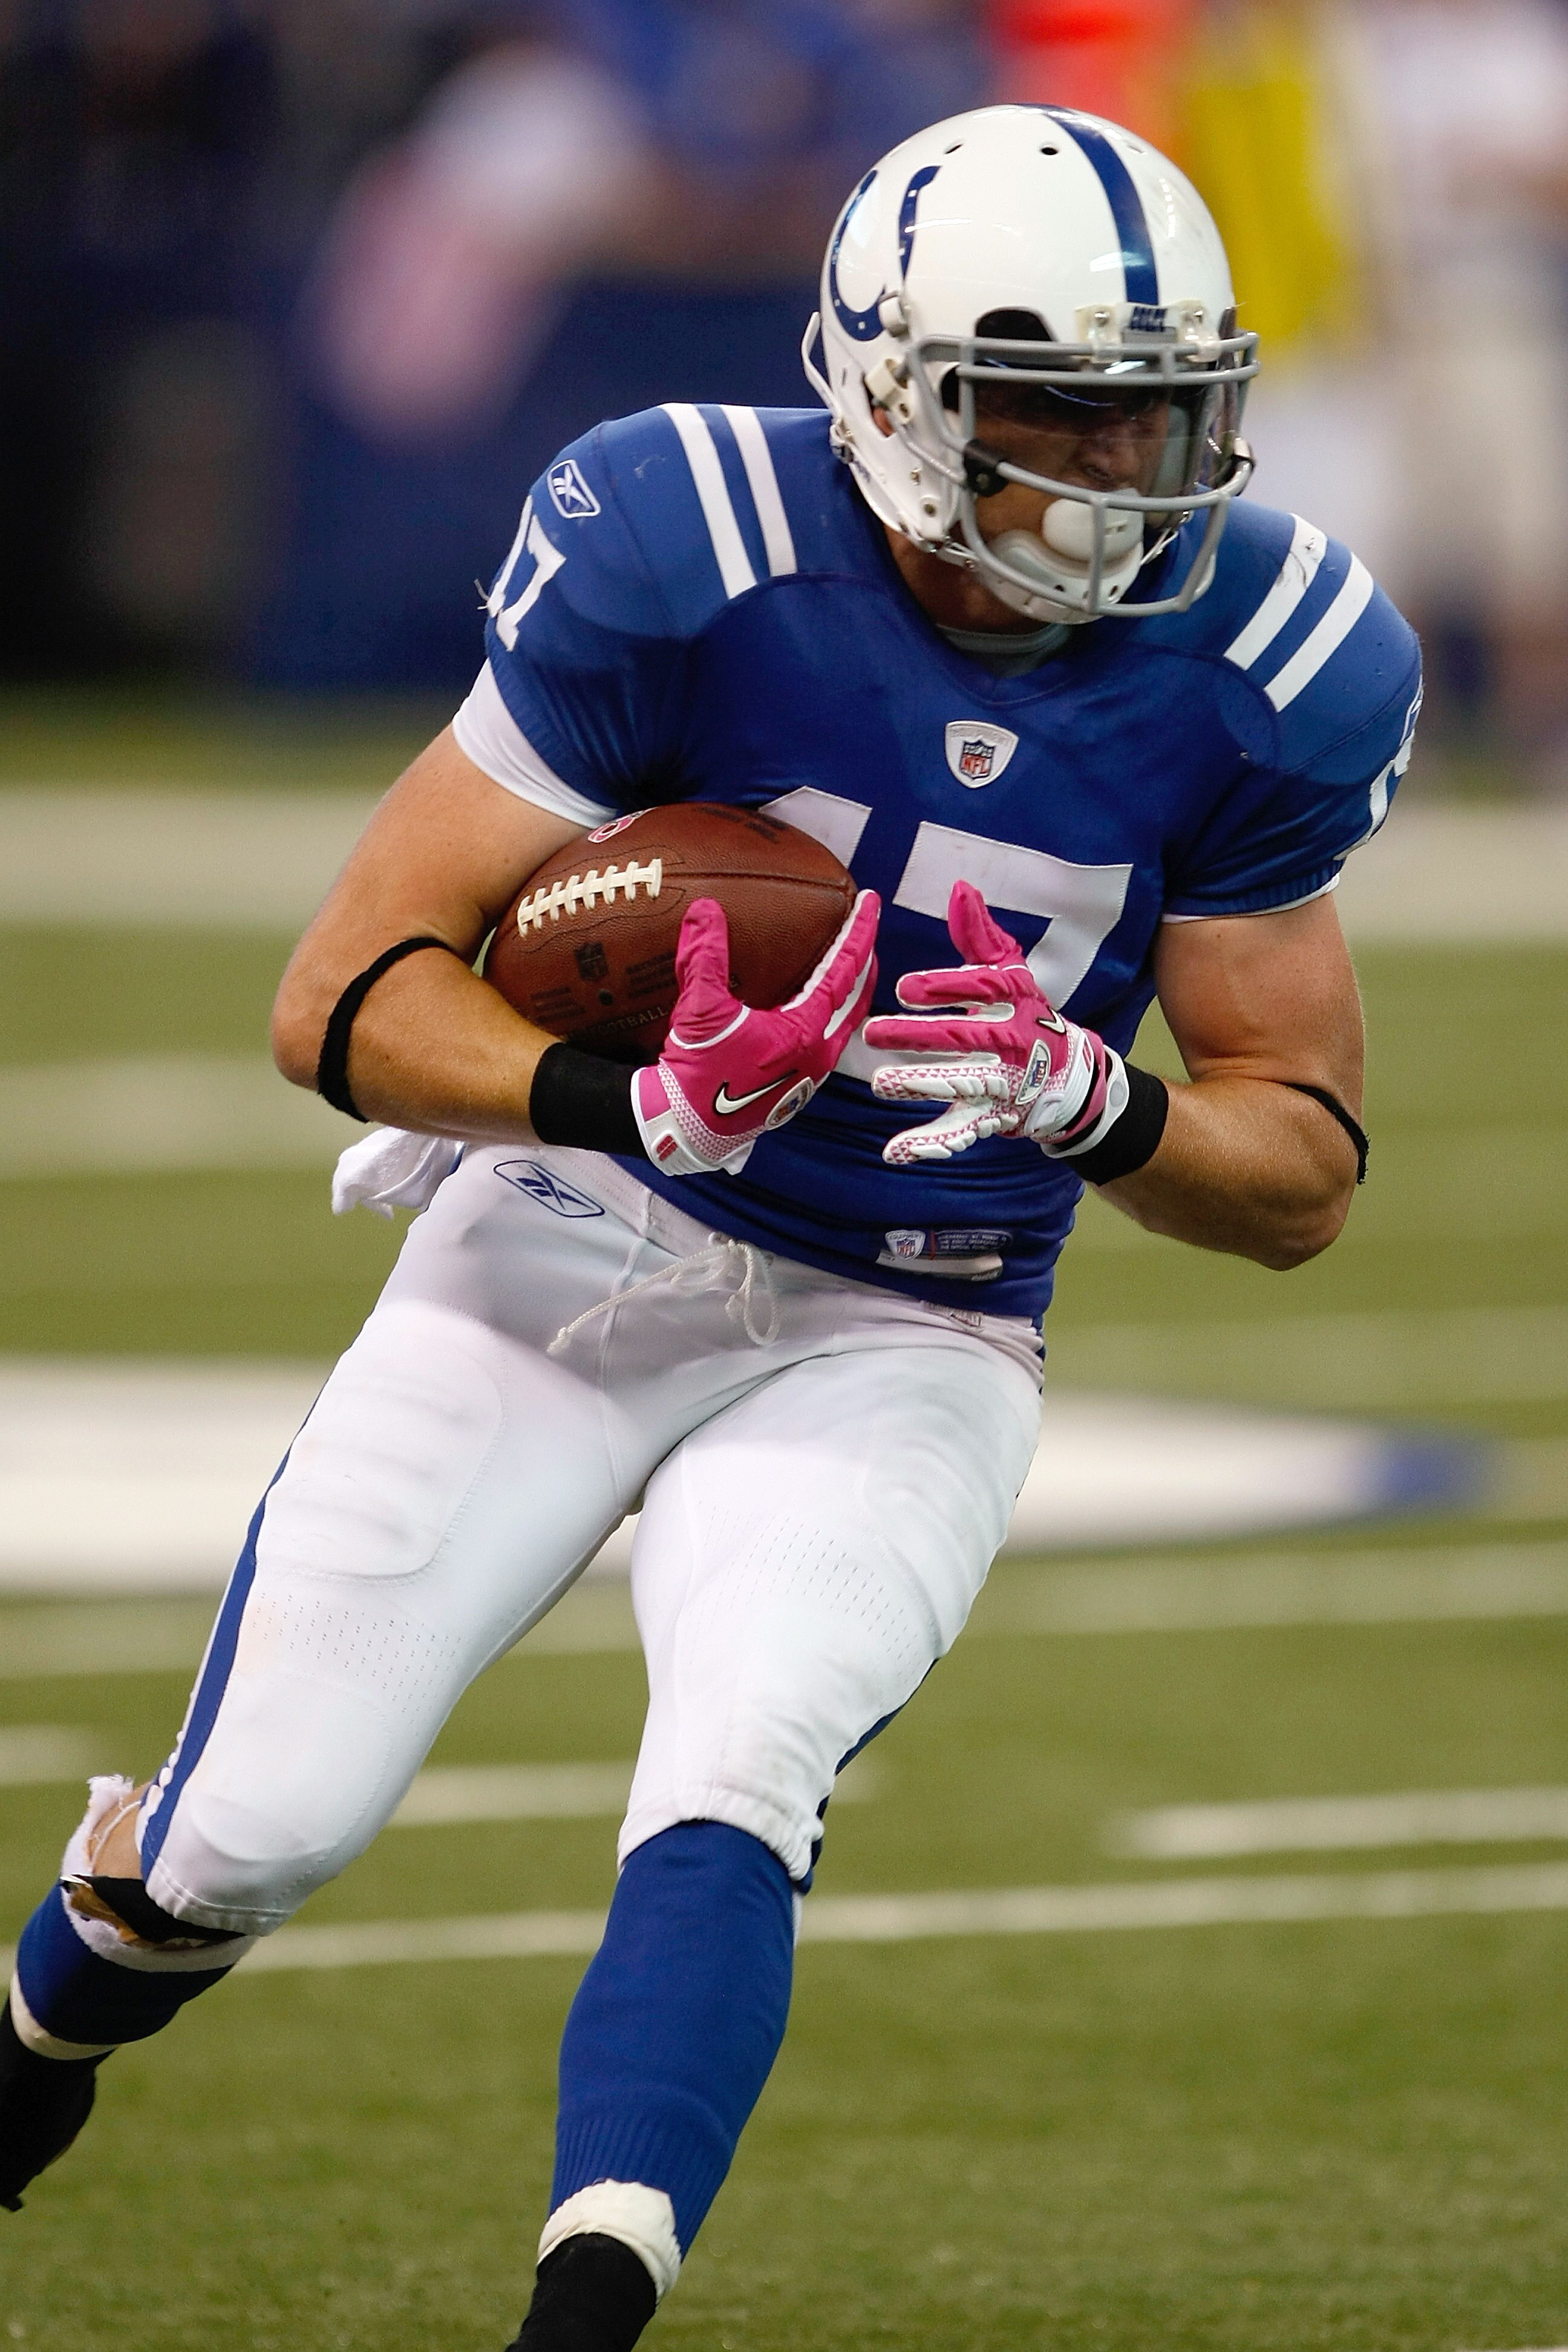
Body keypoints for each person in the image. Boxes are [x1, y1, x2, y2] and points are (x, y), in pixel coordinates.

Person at [1, 102, 1419, 2351]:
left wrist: (1098, 1105)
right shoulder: (693, 532)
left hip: (915, 1317)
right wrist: (616, 1090)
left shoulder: (1267, 656)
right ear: (888, 396)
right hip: (577, 1230)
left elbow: (1305, 1170)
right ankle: (51, 2017)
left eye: (1164, 410)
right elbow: (346, 995)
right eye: (1057, 413)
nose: (1129, 471)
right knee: (248, 1839)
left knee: (745, 1756)